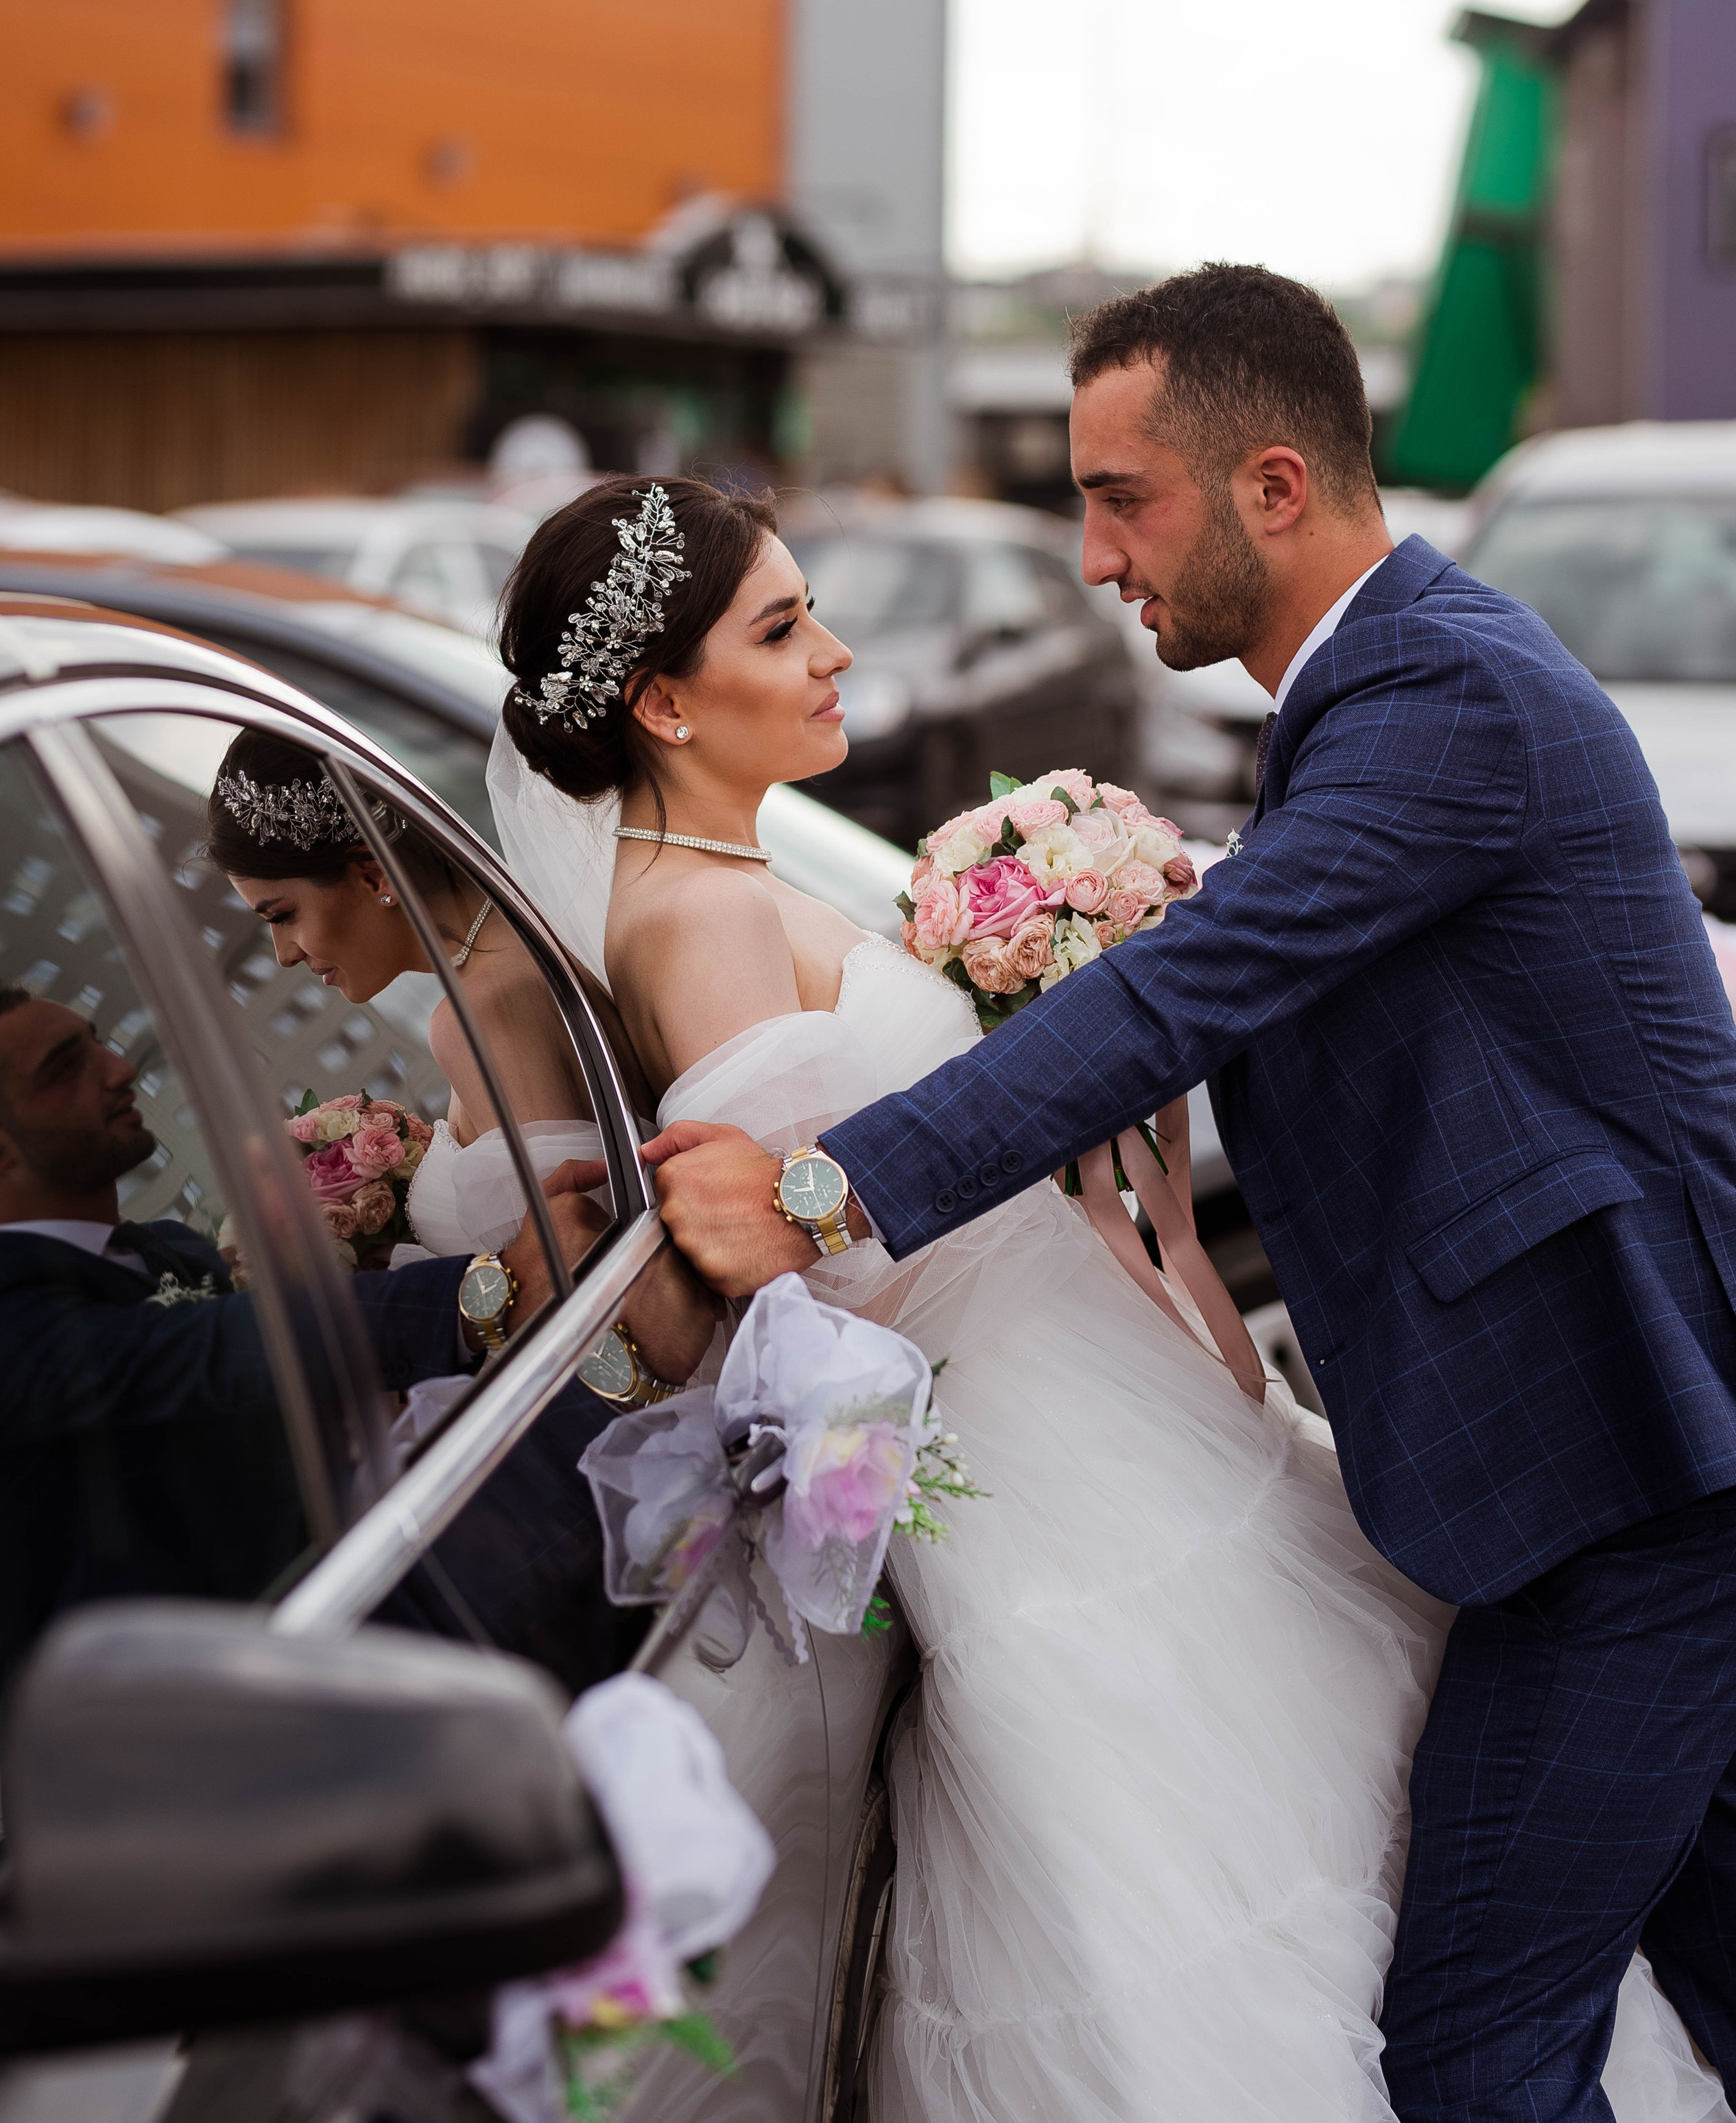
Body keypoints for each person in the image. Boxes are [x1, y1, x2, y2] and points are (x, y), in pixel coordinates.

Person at [488, 469, 1722, 2123]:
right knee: (1245, 1886)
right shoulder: (699, 913)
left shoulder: (731, 875)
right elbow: (784, 1275)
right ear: (661, 701)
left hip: (1087, 1402)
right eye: (781, 628)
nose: (836, 652)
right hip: (1034, 1457)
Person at [0, 982, 505, 1695]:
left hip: (345, 1627)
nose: (120, 1067)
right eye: (65, 1066)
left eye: (97, 1042)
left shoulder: (167, 1248)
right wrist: (486, 1287)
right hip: (185, 1718)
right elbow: (207, 1353)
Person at [206, 728, 715, 1392]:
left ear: (373, 874)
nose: (284, 954)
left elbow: (580, 1293)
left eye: (282, 914)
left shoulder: (480, 1011)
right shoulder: (520, 954)